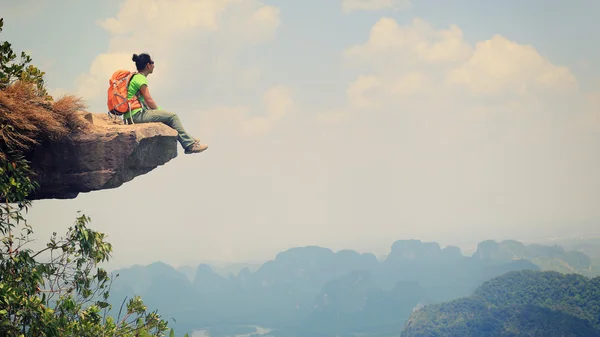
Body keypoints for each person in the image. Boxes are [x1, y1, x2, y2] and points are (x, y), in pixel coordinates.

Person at [124, 53, 208, 154]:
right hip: (136, 116)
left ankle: (189, 139)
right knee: (172, 116)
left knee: (166, 117)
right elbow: (149, 101)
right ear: (148, 65)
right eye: (152, 62)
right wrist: (160, 111)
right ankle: (190, 145)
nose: (154, 65)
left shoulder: (136, 77)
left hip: (131, 116)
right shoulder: (140, 79)